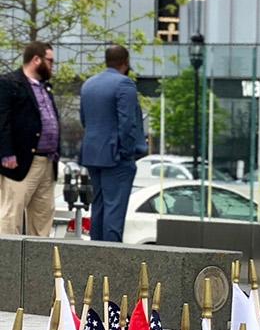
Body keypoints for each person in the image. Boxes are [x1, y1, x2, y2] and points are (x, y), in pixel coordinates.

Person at [79, 44, 149, 243]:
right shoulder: (124, 84)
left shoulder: (88, 84)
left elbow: (84, 119)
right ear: (126, 63)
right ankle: (111, 256)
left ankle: (96, 252)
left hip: (93, 155)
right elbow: (127, 123)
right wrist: (126, 152)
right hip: (116, 157)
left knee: (99, 208)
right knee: (114, 212)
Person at [0, 41, 62, 236]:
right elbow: (2, 121)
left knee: (43, 216)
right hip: (20, 162)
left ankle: (39, 255)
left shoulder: (45, 87)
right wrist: (6, 154)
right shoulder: (9, 83)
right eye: (50, 61)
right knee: (12, 215)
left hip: (47, 162)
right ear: (36, 60)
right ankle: (7, 255)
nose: (52, 65)